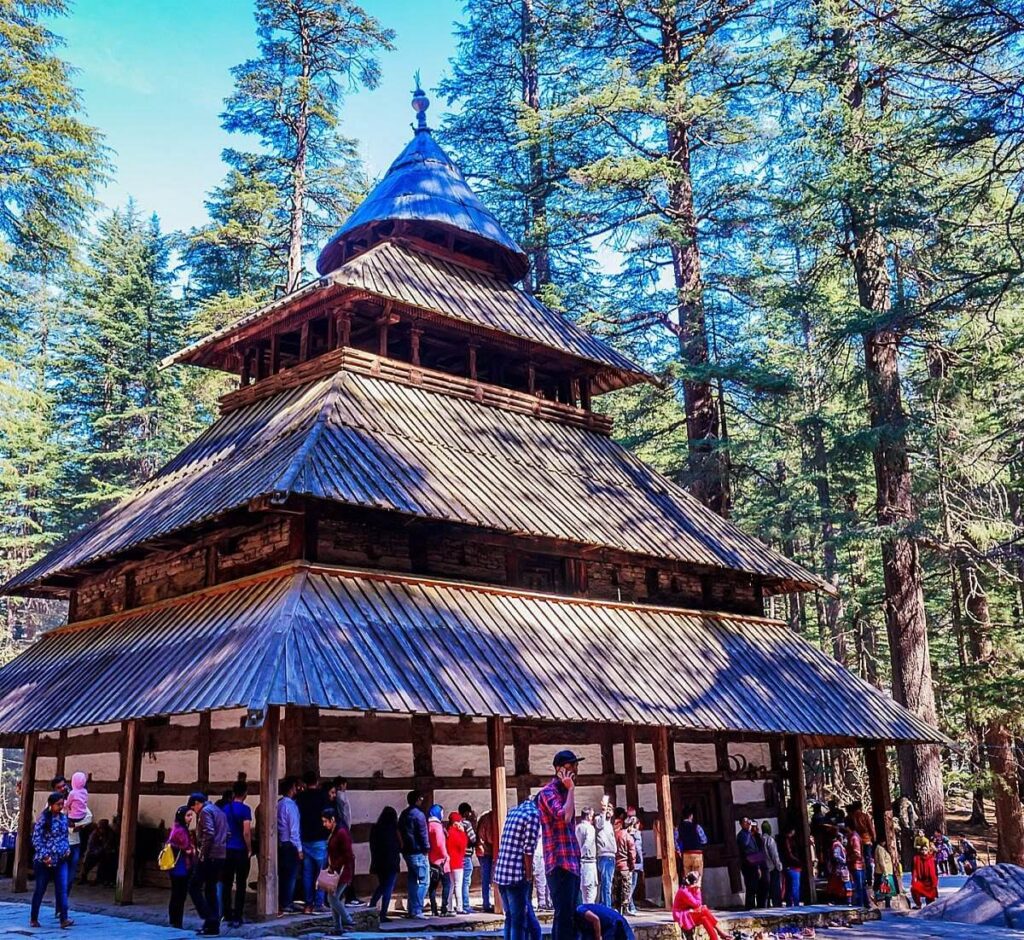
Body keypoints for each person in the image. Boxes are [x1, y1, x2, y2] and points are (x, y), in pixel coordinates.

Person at [538, 750, 582, 940]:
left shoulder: (565, 792)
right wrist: (571, 790)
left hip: (572, 861)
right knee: (563, 915)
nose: (575, 769)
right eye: (571, 765)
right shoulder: (548, 792)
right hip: (558, 863)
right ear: (559, 769)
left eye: (576, 765)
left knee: (570, 915)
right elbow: (565, 816)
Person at [493, 796, 542, 940]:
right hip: (516, 874)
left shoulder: (514, 811)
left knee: (510, 917)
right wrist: (529, 876)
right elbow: (528, 850)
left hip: (501, 872)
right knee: (518, 921)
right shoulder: (533, 815)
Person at [30, 792, 73, 929]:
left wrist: (67, 849)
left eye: (62, 804)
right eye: (58, 804)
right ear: (51, 804)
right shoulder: (43, 819)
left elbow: (64, 837)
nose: (60, 807)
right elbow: (36, 839)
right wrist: (45, 856)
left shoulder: (63, 818)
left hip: (61, 859)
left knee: (62, 888)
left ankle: (64, 918)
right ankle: (34, 918)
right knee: (40, 889)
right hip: (44, 861)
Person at [189, 791, 228, 936]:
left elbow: (209, 833)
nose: (194, 811)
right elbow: (228, 833)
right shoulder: (219, 811)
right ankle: (212, 926)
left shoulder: (205, 812)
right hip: (221, 854)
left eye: (193, 808)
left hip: (210, 855)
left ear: (197, 804)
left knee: (194, 886)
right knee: (210, 889)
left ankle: (209, 916)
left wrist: (202, 854)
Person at [296, 772, 330, 913]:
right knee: (321, 872)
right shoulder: (322, 796)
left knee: (308, 873)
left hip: (305, 839)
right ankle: (319, 902)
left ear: (305, 783)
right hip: (320, 839)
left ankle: (308, 903)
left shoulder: (300, 798)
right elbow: (328, 814)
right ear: (316, 782)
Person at [220, 779, 252, 928]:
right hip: (240, 850)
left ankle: (226, 913)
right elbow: (246, 832)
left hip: (227, 849)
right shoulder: (245, 810)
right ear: (245, 793)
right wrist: (249, 848)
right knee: (240, 883)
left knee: (227, 883)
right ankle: (238, 915)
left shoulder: (225, 808)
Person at [322, 807, 355, 937]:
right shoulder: (334, 832)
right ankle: (338, 927)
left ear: (333, 819)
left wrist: (336, 865)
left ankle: (348, 920)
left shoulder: (341, 833)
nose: (324, 824)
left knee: (332, 897)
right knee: (333, 897)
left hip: (343, 871)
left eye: (326, 821)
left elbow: (348, 854)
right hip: (335, 870)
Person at [672, 872, 732, 940]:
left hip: (688, 911)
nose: (700, 883)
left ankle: (714, 938)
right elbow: (697, 904)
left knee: (704, 918)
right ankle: (721, 932)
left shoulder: (691, 888)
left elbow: (697, 905)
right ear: (695, 882)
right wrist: (698, 890)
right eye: (699, 881)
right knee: (704, 909)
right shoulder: (684, 891)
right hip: (681, 914)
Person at [399, 790, 430, 918]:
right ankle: (417, 909)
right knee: (424, 881)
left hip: (407, 851)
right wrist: (426, 848)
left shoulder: (403, 814)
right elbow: (423, 833)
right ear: (417, 800)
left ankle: (411, 909)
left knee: (412, 880)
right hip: (418, 851)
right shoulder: (419, 815)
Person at [165, 805, 195, 929]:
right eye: (188, 815)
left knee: (176, 894)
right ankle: (177, 921)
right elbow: (186, 848)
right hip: (181, 866)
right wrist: (191, 850)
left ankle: (174, 920)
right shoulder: (181, 831)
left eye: (191, 815)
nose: (190, 818)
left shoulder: (176, 828)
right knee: (179, 894)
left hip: (176, 867)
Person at [369, 806, 401, 921]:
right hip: (391, 862)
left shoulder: (375, 829)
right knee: (388, 888)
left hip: (378, 862)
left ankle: (372, 905)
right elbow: (400, 845)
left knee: (382, 885)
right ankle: (383, 912)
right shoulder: (394, 830)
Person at [277, 776, 303, 915]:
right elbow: (294, 830)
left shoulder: (279, 804)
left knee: (283, 875)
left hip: (281, 842)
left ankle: (283, 901)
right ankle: (287, 903)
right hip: (290, 844)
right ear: (292, 788)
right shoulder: (291, 806)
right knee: (291, 875)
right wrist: (299, 849)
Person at [64, 771, 91, 890]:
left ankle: (66, 891)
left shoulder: (74, 799)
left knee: (71, 869)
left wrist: (75, 826)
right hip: (61, 842)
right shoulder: (53, 805)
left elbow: (89, 817)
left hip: (74, 842)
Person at [736, 817, 767, 909]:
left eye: (748, 822)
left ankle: (755, 905)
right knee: (750, 886)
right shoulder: (741, 835)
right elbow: (745, 844)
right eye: (745, 822)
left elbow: (756, 849)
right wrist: (749, 832)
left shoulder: (751, 835)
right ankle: (749, 906)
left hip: (754, 862)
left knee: (755, 886)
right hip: (747, 864)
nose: (748, 824)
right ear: (741, 824)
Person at [427, 803, 452, 915]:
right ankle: (444, 908)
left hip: (431, 859)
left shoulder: (428, 825)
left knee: (433, 886)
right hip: (441, 861)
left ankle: (433, 908)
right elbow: (439, 843)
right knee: (447, 884)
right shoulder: (437, 826)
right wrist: (445, 855)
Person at [612, 811, 636, 914]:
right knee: (625, 889)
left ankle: (617, 909)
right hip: (625, 866)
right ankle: (625, 909)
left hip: (616, 865)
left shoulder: (615, 835)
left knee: (616, 890)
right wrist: (632, 866)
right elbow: (632, 854)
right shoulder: (628, 837)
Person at [595, 796, 617, 908]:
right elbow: (600, 824)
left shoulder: (610, 824)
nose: (608, 811)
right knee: (606, 883)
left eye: (610, 809)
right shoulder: (599, 819)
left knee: (608, 882)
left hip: (611, 856)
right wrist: (603, 810)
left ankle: (604, 905)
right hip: (605, 855)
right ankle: (607, 907)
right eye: (607, 808)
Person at [675, 808, 708, 880]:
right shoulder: (697, 827)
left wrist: (679, 851)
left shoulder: (678, 828)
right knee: (697, 879)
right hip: (697, 854)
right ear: (691, 816)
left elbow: (676, 842)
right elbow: (704, 840)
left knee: (688, 879)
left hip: (686, 854)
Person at [847, 801, 875, 886]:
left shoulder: (851, 817)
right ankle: (869, 880)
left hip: (856, 840)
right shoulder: (864, 816)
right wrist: (873, 838)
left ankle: (861, 879)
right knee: (868, 860)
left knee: (858, 860)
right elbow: (870, 828)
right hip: (866, 839)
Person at [447, 811, 469, 914]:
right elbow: (463, 846)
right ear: (455, 822)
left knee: (451, 885)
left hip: (450, 862)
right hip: (457, 862)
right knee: (458, 885)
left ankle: (449, 906)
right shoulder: (457, 833)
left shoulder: (448, 832)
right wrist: (463, 832)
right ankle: (459, 907)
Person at [79, 819, 113, 885]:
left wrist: (103, 850)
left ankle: (99, 879)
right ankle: (83, 877)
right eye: (100, 828)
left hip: (105, 853)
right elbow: (90, 846)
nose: (101, 830)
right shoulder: (94, 834)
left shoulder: (109, 834)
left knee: (106, 861)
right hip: (94, 852)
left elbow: (108, 845)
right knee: (88, 862)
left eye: (103, 828)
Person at [458, 803, 478, 913]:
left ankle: (460, 904)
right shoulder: (467, 824)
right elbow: (473, 839)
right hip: (466, 855)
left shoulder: (455, 823)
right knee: (466, 882)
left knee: (458, 882)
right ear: (467, 812)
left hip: (457, 855)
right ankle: (465, 905)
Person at [576, 808, 599, 904]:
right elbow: (588, 843)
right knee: (591, 891)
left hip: (580, 862)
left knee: (582, 890)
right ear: (589, 816)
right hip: (588, 861)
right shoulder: (590, 828)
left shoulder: (577, 827)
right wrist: (581, 854)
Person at [476, 809, 497, 913]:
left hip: (489, 851)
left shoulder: (486, 818)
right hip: (485, 852)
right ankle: (486, 903)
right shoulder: (488, 819)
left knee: (488, 879)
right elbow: (489, 838)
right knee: (486, 878)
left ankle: (488, 902)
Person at [779, 821, 803, 906]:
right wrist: (799, 862)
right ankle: (795, 904)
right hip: (793, 866)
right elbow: (789, 854)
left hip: (787, 866)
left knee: (789, 887)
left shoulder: (781, 840)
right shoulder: (788, 840)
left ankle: (789, 904)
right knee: (794, 887)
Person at [828, 827, 852, 906]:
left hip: (842, 868)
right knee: (843, 884)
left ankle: (846, 900)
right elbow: (836, 856)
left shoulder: (839, 845)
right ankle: (845, 901)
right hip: (840, 868)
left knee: (842, 884)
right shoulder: (837, 845)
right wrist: (844, 861)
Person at [761, 821, 783, 907]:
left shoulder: (760, 839)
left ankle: (766, 906)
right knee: (775, 889)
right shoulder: (770, 840)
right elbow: (774, 855)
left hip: (763, 868)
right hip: (772, 868)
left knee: (766, 890)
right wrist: (779, 866)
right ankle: (777, 905)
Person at [911, 842, 939, 909]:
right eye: (922, 850)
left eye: (925, 850)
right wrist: (914, 877)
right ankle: (918, 904)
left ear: (928, 850)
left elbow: (934, 870)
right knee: (914, 889)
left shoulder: (931, 858)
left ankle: (930, 906)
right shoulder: (917, 858)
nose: (924, 851)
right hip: (921, 881)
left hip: (930, 881)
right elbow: (914, 869)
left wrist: (934, 881)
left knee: (930, 896)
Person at [872, 839, 897, 908]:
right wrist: (885, 873)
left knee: (887, 889)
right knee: (886, 889)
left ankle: (886, 903)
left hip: (886, 871)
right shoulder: (880, 849)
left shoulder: (882, 849)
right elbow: (881, 861)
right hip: (884, 872)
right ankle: (884, 903)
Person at [848, 826, 866, 907]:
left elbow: (857, 853)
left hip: (856, 864)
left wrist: (849, 859)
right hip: (859, 864)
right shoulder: (856, 836)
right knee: (861, 886)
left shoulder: (854, 837)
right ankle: (865, 903)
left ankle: (860, 904)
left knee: (859, 886)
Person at [628, 816, 643, 914]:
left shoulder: (627, 833)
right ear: (637, 824)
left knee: (629, 884)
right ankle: (628, 903)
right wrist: (640, 862)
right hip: (635, 862)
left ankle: (631, 905)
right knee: (632, 884)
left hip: (628, 861)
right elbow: (637, 849)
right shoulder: (637, 834)